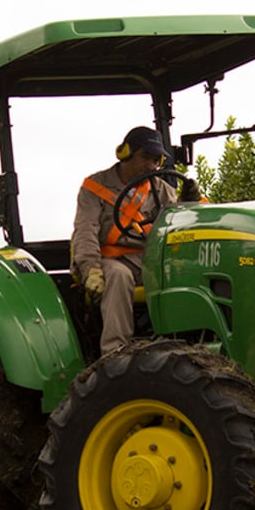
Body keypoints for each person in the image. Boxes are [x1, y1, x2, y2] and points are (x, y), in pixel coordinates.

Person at [71, 126, 201, 354]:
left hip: (147, 260)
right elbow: (85, 230)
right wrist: (91, 268)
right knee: (119, 276)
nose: (151, 166)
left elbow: (178, 224)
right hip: (109, 260)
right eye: (145, 158)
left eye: (156, 160)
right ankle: (114, 353)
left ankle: (190, 348)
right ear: (124, 153)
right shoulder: (95, 187)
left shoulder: (161, 189)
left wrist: (191, 202)